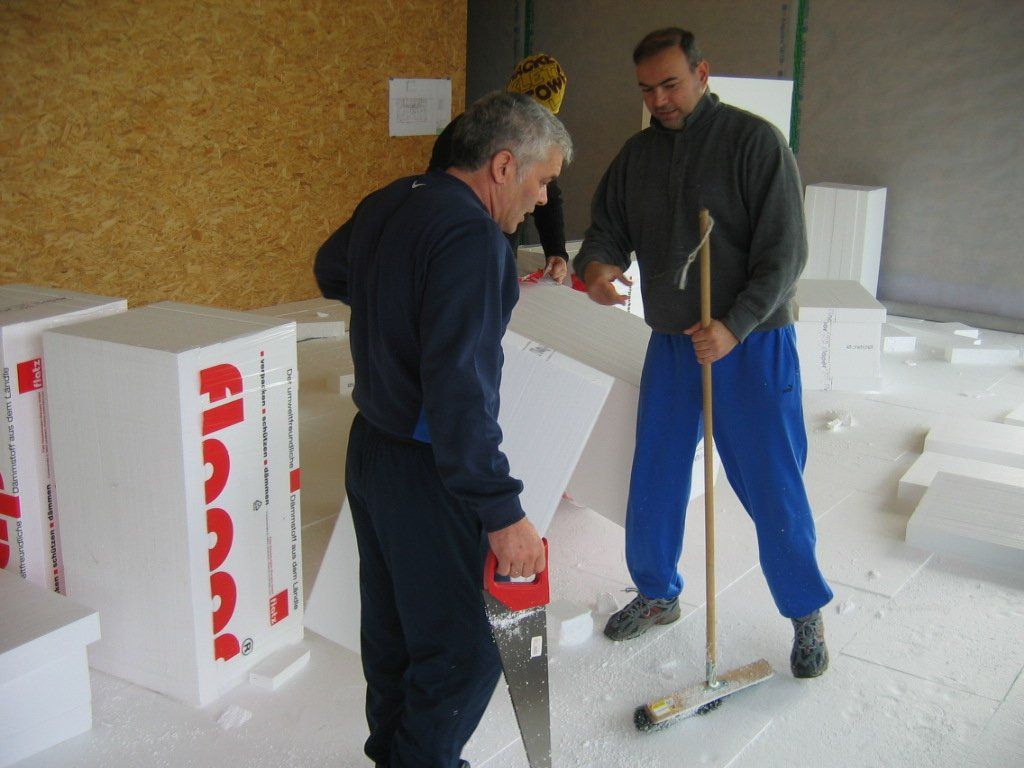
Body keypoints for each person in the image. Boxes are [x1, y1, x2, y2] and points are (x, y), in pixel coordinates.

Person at [314, 91, 572, 767]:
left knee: (396, 633)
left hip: (372, 451)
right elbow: (459, 393)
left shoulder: (394, 198)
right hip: (429, 466)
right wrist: (501, 511)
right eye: (543, 180)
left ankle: (395, 755)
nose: (543, 198)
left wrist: (397, 301)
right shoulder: (474, 240)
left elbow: (331, 267)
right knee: (464, 647)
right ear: (503, 166)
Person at [573, 27, 832, 679]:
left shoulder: (755, 144)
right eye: (646, 89)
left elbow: (786, 253)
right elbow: (606, 229)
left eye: (670, 84)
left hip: (753, 342)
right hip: (673, 343)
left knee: (772, 483)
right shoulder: (637, 156)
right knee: (656, 473)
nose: (659, 100)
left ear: (702, 73)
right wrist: (597, 268)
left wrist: (735, 325)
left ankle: (805, 611)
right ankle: (657, 592)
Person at [429, 53, 571, 283]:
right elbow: (439, 190)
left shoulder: (541, 145)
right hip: (462, 242)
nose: (541, 197)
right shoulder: (468, 130)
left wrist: (556, 249)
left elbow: (549, 197)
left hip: (500, 243)